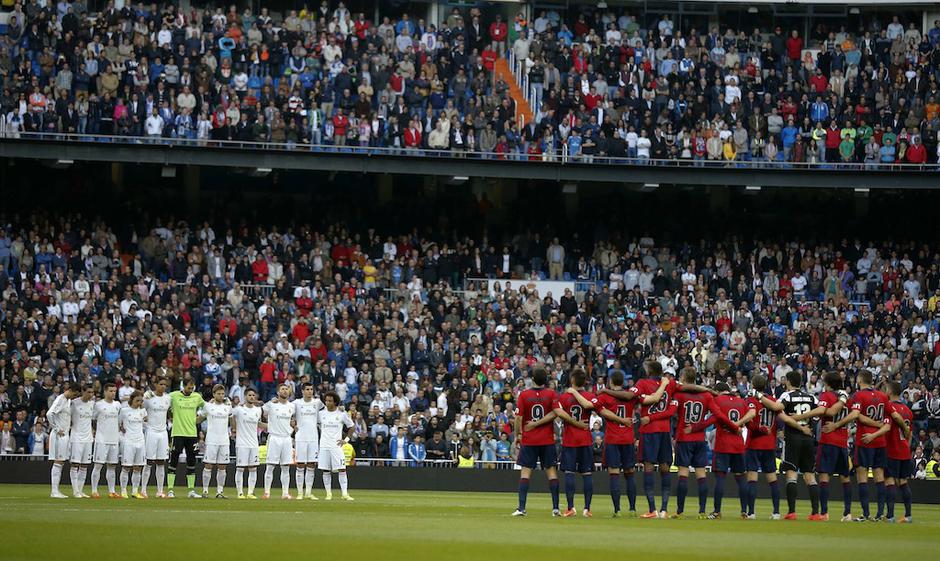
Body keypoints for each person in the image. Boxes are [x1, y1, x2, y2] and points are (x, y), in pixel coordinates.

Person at [601, 360, 709, 518]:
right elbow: (688, 387)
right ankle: (664, 509)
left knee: (649, 468)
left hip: (649, 431)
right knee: (665, 469)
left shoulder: (643, 383)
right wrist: (708, 389)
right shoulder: (670, 384)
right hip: (665, 431)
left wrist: (606, 391)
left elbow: (629, 395)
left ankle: (652, 509)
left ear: (649, 371)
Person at [756, 371, 822, 520]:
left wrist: (759, 396)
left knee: (791, 474)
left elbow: (776, 407)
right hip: (808, 438)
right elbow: (819, 413)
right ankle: (815, 513)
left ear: (789, 382)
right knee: (810, 476)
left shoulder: (787, 396)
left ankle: (792, 512)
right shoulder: (811, 397)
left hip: (793, 438)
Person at [791, 371, 852, 521]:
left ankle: (824, 512)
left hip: (829, 440)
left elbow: (821, 410)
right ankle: (847, 513)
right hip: (843, 442)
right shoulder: (844, 398)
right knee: (845, 478)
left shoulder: (827, 396)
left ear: (827, 383)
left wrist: (798, 417)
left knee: (824, 477)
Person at [829, 370, 889, 521]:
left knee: (862, 476)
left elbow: (855, 414)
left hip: (864, 440)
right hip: (880, 440)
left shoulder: (859, 396)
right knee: (879, 476)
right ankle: (880, 513)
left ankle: (866, 514)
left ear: (860, 380)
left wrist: (837, 424)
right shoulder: (882, 396)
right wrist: (877, 424)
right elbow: (889, 417)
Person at [582, 370, 641, 516]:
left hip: (613, 439)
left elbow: (599, 410)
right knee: (630, 474)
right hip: (628, 438)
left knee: (614, 473)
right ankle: (632, 509)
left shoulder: (605, 395)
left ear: (611, 382)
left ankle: (617, 510)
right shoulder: (630, 396)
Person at [512, 367, 561, 517]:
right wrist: (541, 422)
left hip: (530, 439)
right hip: (547, 439)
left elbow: (519, 418)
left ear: (532, 378)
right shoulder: (551, 394)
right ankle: (555, 508)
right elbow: (556, 413)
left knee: (525, 473)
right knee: (551, 473)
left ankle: (521, 508)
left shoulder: (524, 395)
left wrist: (517, 435)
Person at [671, 368, 720, 518]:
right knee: (701, 475)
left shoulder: (679, 394)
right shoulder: (706, 395)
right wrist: (698, 426)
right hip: (700, 439)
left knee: (683, 474)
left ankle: (680, 511)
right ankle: (702, 512)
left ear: (684, 378)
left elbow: (672, 413)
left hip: (684, 438)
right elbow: (716, 416)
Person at [866, 382, 914, 523]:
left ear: (890, 391)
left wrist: (872, 436)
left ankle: (890, 515)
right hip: (904, 450)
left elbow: (887, 428)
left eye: (886, 389)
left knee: (889, 481)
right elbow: (909, 434)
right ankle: (908, 515)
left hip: (891, 450)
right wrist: (906, 447)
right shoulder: (908, 410)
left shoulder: (889, 408)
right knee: (903, 482)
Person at [707, 382, 754, 519]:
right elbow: (750, 419)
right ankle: (744, 511)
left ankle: (717, 511)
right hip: (739, 445)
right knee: (741, 479)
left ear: (718, 391)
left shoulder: (717, 400)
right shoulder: (741, 401)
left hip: (722, 444)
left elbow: (714, 418)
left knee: (720, 478)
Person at [553, 369, 596, 517]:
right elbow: (592, 406)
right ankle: (587, 508)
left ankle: (571, 507)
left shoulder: (564, 397)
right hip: (585, 438)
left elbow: (558, 412)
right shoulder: (590, 396)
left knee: (569, 473)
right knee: (587, 473)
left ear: (572, 380)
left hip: (570, 440)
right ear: (585, 382)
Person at [167, 378, 205, 498]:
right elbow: (163, 401)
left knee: (191, 461)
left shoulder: (197, 397)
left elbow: (207, 408)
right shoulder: (173, 395)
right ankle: (170, 490)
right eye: (188, 387)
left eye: (192, 388)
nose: (190, 390)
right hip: (177, 433)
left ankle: (191, 491)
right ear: (183, 386)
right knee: (173, 460)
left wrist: (201, 418)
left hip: (192, 434)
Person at [318, 391, 354, 500]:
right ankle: (328, 494)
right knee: (325, 470)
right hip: (324, 446)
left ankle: (344, 494)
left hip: (336, 446)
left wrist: (346, 440)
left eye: (330, 401)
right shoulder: (320, 414)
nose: (327, 403)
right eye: (326, 400)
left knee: (342, 469)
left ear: (335, 402)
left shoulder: (342, 414)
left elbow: (352, 427)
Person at [262, 383, 296, 499]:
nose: (285, 391)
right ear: (278, 392)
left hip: (287, 438)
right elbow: (260, 411)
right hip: (274, 437)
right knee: (270, 466)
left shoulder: (292, 406)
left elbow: (294, 421)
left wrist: (293, 426)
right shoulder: (271, 404)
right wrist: (270, 402)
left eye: (286, 389)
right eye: (282, 389)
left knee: (285, 467)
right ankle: (267, 492)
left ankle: (285, 493)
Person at [47, 382, 80, 498]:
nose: (74, 397)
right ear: (69, 390)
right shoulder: (60, 399)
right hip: (58, 435)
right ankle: (54, 491)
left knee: (60, 461)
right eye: (74, 394)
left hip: (64, 435)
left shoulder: (68, 401)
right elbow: (49, 414)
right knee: (58, 461)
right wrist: (56, 429)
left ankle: (56, 491)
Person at [91, 383, 122, 498]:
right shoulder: (98, 405)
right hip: (102, 440)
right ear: (105, 391)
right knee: (98, 465)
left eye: (114, 391)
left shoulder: (118, 405)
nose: (113, 393)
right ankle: (94, 491)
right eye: (110, 391)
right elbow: (93, 419)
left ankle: (112, 491)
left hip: (114, 440)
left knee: (112, 466)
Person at [200, 384, 232, 498]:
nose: (221, 395)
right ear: (214, 394)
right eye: (218, 393)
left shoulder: (228, 406)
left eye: (222, 394)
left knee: (222, 466)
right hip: (211, 440)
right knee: (208, 465)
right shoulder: (208, 406)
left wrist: (234, 431)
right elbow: (199, 418)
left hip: (224, 440)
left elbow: (232, 419)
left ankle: (220, 491)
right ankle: (205, 491)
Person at [294, 382, 324, 500]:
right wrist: (291, 423)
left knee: (311, 465)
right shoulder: (296, 403)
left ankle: (308, 492)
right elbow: (286, 410)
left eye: (311, 389)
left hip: (313, 438)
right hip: (301, 437)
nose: (310, 391)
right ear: (302, 391)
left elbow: (330, 406)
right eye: (307, 389)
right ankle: (300, 493)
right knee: (300, 465)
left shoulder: (317, 403)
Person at [142, 377, 171, 498]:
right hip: (151, 431)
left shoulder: (168, 398)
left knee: (161, 462)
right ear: (155, 384)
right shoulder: (148, 397)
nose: (163, 386)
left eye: (165, 384)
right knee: (148, 461)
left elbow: (170, 411)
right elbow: (140, 409)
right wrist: (145, 422)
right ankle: (143, 490)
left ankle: (160, 491)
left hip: (163, 432)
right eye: (161, 384)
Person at [233, 388, 264, 499]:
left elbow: (258, 423)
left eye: (253, 395)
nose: (252, 397)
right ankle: (240, 492)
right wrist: (234, 428)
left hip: (254, 443)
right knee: (240, 468)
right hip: (242, 443)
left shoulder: (258, 410)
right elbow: (231, 416)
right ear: (245, 396)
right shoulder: (239, 410)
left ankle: (250, 492)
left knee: (253, 468)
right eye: (249, 395)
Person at [119, 391, 148, 498]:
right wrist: (123, 431)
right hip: (129, 442)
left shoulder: (143, 412)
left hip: (140, 441)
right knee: (126, 467)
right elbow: (119, 424)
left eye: (141, 401)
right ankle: (123, 491)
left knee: (138, 468)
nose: (139, 403)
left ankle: (135, 491)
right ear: (131, 400)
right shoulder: (124, 411)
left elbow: (146, 421)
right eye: (137, 400)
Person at [68, 384, 96, 498]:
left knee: (84, 466)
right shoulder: (74, 403)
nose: (91, 395)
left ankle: (80, 490)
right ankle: (75, 491)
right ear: (83, 392)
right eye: (88, 392)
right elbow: (67, 417)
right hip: (76, 437)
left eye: (92, 392)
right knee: (75, 464)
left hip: (88, 438)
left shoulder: (92, 404)